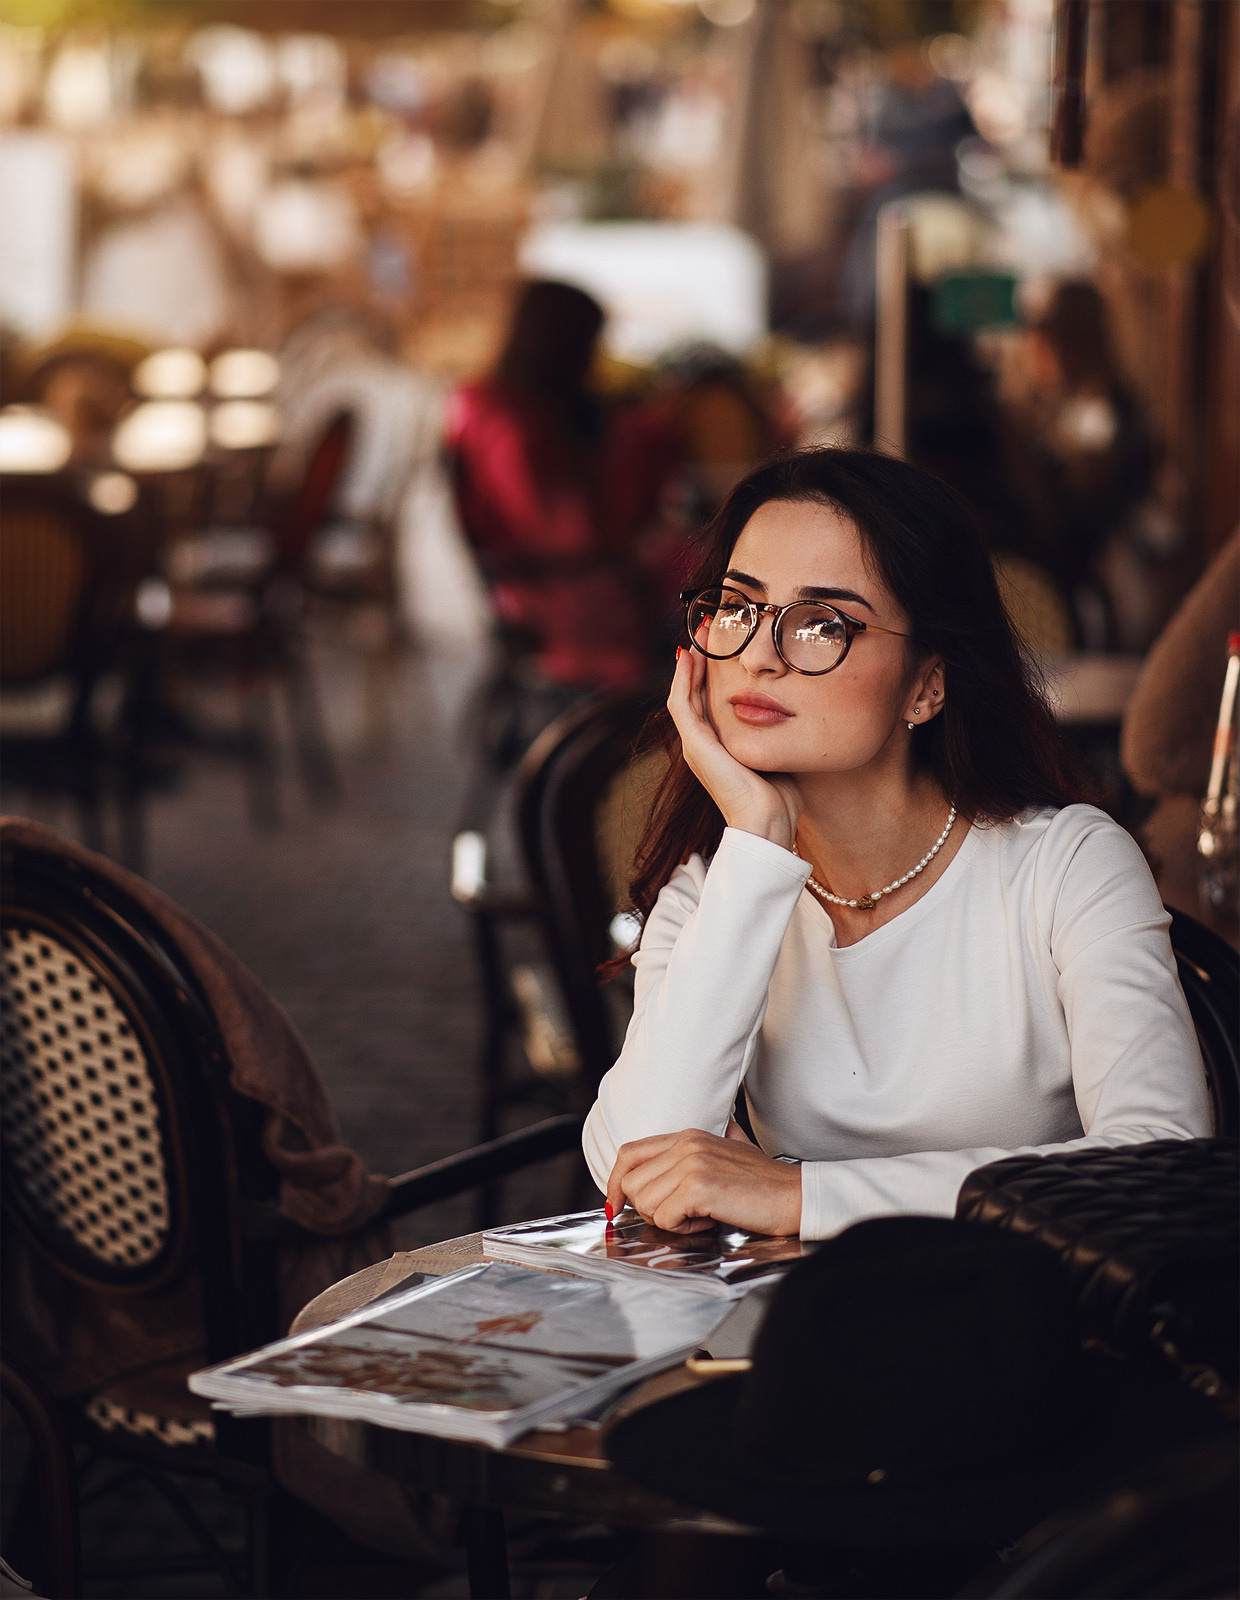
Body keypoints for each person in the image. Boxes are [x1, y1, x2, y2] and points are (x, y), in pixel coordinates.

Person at [582, 448, 1210, 1241]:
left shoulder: (1068, 865)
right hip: (796, 1338)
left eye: (822, 623)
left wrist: (798, 1196)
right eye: (738, 608)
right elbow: (641, 1167)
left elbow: (1161, 1162)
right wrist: (756, 842)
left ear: (927, 684)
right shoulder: (720, 887)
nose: (759, 655)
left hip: (1031, 1335)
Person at [445, 279, 677, 693]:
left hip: (553, 584)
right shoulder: (511, 426)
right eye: (589, 343)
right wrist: (639, 448)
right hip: (562, 600)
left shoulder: (494, 409)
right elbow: (571, 536)